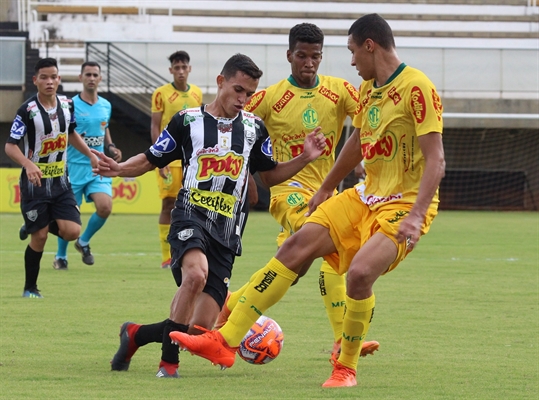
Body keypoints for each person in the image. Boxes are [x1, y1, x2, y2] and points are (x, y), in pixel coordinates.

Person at [168, 13, 446, 388]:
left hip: (404, 205)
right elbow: (356, 143)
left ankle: (345, 367)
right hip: (357, 196)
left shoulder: (417, 88)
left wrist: (414, 215)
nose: (349, 62)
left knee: (359, 274)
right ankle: (225, 341)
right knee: (297, 247)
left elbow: (437, 160)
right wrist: (325, 188)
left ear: (370, 46)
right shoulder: (367, 90)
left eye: (351, 52)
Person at [92, 53, 327, 378]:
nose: (244, 99)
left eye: (249, 93)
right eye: (238, 90)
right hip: (190, 218)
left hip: (227, 234)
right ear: (220, 82)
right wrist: (119, 169)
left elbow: (270, 176)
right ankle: (167, 366)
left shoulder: (254, 129)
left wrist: (304, 157)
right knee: (195, 276)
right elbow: (151, 158)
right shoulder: (187, 122)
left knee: (198, 329)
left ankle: (134, 334)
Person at [220, 22, 379, 360]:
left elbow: (368, 123)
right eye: (302, 56)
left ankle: (231, 304)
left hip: (325, 191)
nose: (309, 63)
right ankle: (341, 340)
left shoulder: (339, 90)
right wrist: (245, 177)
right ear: (289, 55)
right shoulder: (270, 97)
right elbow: (233, 127)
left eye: (315, 56)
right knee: (327, 248)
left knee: (289, 271)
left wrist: (370, 161)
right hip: (287, 191)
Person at [5, 57, 99, 297]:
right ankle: (30, 288)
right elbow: (10, 146)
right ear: (35, 80)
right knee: (41, 236)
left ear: (59, 79)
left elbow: (71, 133)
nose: (49, 81)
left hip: (61, 182)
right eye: (44, 77)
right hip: (35, 184)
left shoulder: (67, 105)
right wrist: (28, 164)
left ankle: (33, 223)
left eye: (54, 77)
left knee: (72, 232)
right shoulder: (27, 110)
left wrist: (91, 155)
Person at [52, 61, 122, 270]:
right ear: (80, 78)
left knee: (105, 206)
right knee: (69, 215)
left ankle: (83, 242)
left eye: (95, 75)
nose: (91, 78)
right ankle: (60, 256)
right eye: (88, 74)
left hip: (97, 166)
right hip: (73, 166)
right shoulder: (69, 105)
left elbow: (104, 127)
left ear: (100, 79)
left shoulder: (106, 105)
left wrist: (110, 145)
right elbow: (61, 132)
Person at [151, 50, 203, 269]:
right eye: (177, 68)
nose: (181, 72)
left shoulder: (197, 93)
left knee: (191, 204)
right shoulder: (161, 94)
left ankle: (186, 249)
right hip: (169, 158)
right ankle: (166, 256)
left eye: (184, 67)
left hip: (190, 157)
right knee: (168, 204)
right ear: (171, 70)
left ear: (189, 69)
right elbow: (155, 125)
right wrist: (159, 158)